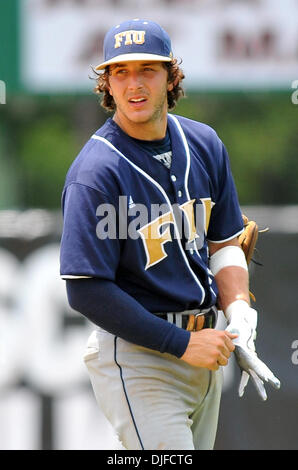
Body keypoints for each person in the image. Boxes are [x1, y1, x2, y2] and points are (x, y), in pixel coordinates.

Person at [60, 19, 280, 450]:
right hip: (141, 355)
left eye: (147, 70)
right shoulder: (96, 172)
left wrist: (238, 311)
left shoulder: (204, 143)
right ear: (106, 82)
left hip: (206, 351)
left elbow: (224, 241)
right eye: (120, 72)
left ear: (170, 76)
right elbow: (85, 290)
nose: (133, 84)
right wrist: (180, 344)